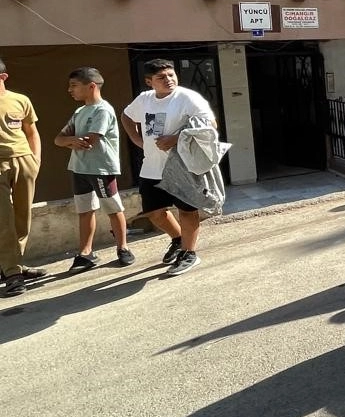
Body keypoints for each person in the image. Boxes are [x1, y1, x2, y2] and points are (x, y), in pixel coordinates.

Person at [121, 59, 217, 277]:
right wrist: (136, 139)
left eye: (171, 75)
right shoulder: (145, 99)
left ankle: (189, 253)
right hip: (151, 166)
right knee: (154, 212)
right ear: (149, 82)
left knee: (187, 210)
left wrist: (176, 138)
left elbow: (210, 125)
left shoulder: (187, 98)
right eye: (161, 77)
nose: (169, 80)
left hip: (182, 166)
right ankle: (178, 239)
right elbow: (126, 116)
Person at [53, 67, 132, 271]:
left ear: (91, 86)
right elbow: (58, 139)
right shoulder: (79, 112)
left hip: (101, 169)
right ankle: (85, 253)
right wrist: (72, 140)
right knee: (85, 210)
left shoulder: (103, 110)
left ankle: (123, 248)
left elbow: (89, 141)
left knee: (113, 208)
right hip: (79, 168)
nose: (70, 90)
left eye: (74, 85)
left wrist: (70, 141)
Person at [0, 57, 44, 296]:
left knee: (22, 217)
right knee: (3, 219)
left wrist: (35, 161)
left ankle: (12, 265)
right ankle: (13, 274)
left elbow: (32, 132)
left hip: (24, 161)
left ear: (3, 77)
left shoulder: (20, 100)